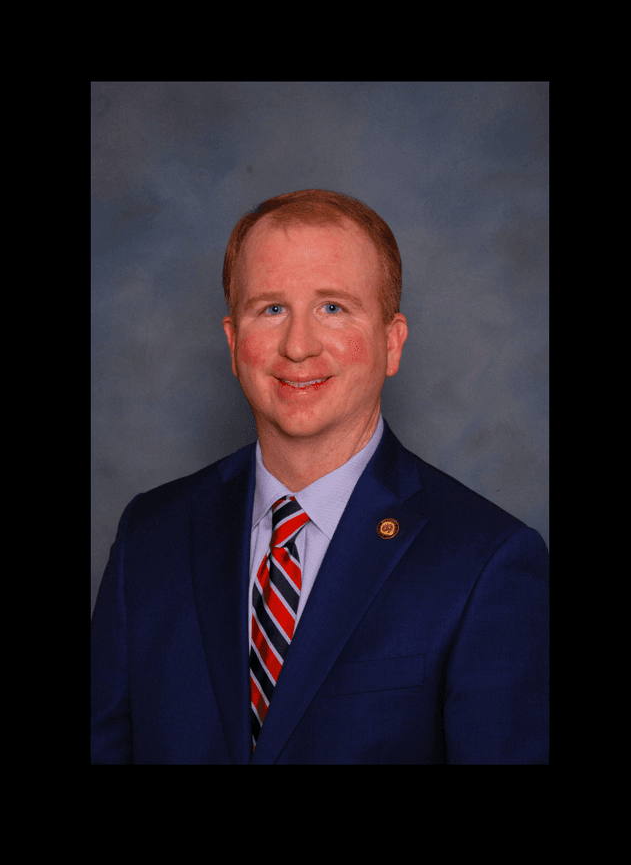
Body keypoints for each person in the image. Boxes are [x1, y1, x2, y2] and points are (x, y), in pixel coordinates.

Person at [91, 188, 549, 764]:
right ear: (235, 344)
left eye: (333, 307)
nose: (298, 346)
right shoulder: (149, 537)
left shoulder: (489, 562)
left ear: (391, 342)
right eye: (271, 309)